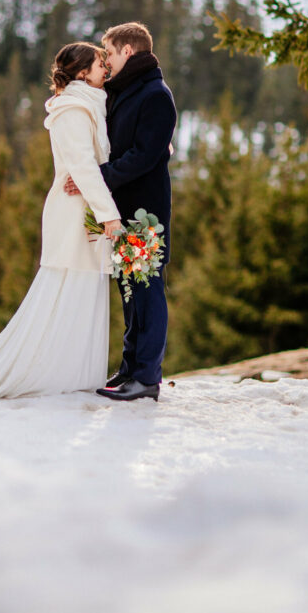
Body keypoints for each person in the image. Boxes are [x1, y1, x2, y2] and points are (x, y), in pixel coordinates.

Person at [0, 42, 122, 399]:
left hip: (87, 210)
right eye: (99, 64)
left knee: (83, 292)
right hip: (74, 213)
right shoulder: (74, 110)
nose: (105, 69)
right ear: (81, 73)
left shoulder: (90, 105)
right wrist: (110, 217)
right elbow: (82, 167)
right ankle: (52, 374)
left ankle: (74, 374)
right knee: (66, 291)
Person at [65, 22, 177, 403]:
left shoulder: (156, 95)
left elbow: (143, 157)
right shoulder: (126, 92)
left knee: (147, 291)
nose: (106, 60)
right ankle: (129, 368)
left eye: (109, 52)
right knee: (129, 292)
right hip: (121, 210)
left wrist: (95, 178)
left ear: (127, 51)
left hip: (146, 212)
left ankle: (147, 377)